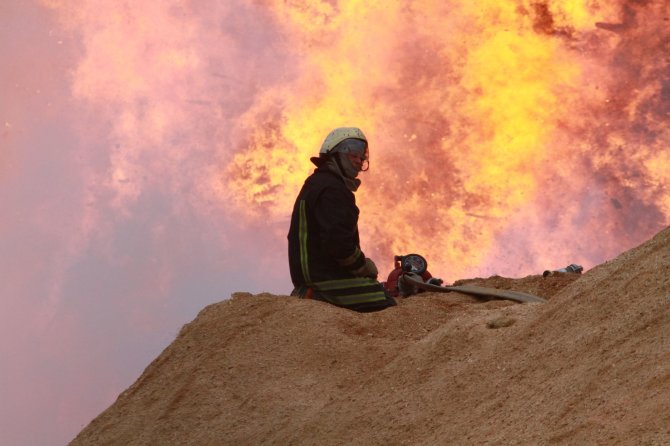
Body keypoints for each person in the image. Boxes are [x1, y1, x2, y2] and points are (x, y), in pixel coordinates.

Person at [287, 127, 397, 312]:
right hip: (323, 281)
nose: (358, 159)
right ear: (333, 154)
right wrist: (362, 266)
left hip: (313, 279)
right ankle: (318, 298)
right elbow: (338, 243)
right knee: (384, 300)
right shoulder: (332, 190)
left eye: (362, 155)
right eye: (352, 151)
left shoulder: (318, 183)